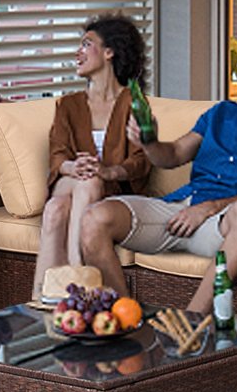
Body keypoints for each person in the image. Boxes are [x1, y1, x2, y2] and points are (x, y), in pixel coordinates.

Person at [80, 33, 237, 314]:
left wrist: (208, 208)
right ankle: (126, 318)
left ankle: (192, 322)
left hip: (224, 224)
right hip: (181, 208)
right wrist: (150, 143)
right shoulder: (222, 113)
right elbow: (172, 155)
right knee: (95, 218)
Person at [33, 15, 151, 297]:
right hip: (72, 181)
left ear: (109, 52)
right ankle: (77, 276)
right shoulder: (68, 105)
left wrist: (107, 171)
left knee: (55, 209)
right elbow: (57, 155)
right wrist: (73, 166)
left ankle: (44, 298)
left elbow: (140, 161)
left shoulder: (133, 103)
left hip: (113, 191)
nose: (78, 53)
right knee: (85, 182)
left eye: (87, 44)